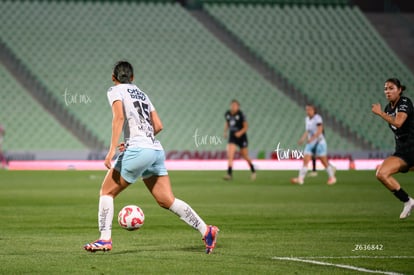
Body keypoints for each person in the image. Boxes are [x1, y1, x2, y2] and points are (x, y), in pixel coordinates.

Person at [84, 61, 219, 254]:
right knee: (167, 200)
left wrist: (112, 149)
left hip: (139, 150)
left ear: (113, 77)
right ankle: (206, 230)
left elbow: (119, 118)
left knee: (106, 192)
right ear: (133, 78)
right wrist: (140, 140)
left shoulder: (115, 91)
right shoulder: (143, 95)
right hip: (155, 150)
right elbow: (159, 125)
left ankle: (105, 239)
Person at [371, 78, 414, 219]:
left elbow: (399, 122)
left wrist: (380, 114)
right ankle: (408, 201)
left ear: (399, 90)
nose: (387, 91)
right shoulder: (388, 108)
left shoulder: (405, 102)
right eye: (385, 89)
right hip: (403, 152)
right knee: (381, 174)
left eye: (391, 88)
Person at [291, 104, 336, 185]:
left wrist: (312, 138)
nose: (307, 111)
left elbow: (320, 130)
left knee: (324, 161)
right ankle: (300, 179)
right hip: (310, 143)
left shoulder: (317, 118)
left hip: (319, 142)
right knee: (305, 160)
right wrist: (302, 139)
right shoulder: (307, 119)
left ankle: (332, 177)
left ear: (313, 110)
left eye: (309, 109)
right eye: (306, 109)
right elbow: (308, 130)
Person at [223, 99, 256, 180]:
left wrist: (240, 133)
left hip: (242, 137)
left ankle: (253, 170)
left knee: (244, 155)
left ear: (238, 107)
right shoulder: (228, 114)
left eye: (235, 105)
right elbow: (227, 122)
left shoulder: (241, 115)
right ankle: (229, 174)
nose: (233, 107)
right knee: (230, 155)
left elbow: (246, 127)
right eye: (232, 105)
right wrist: (225, 131)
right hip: (232, 136)